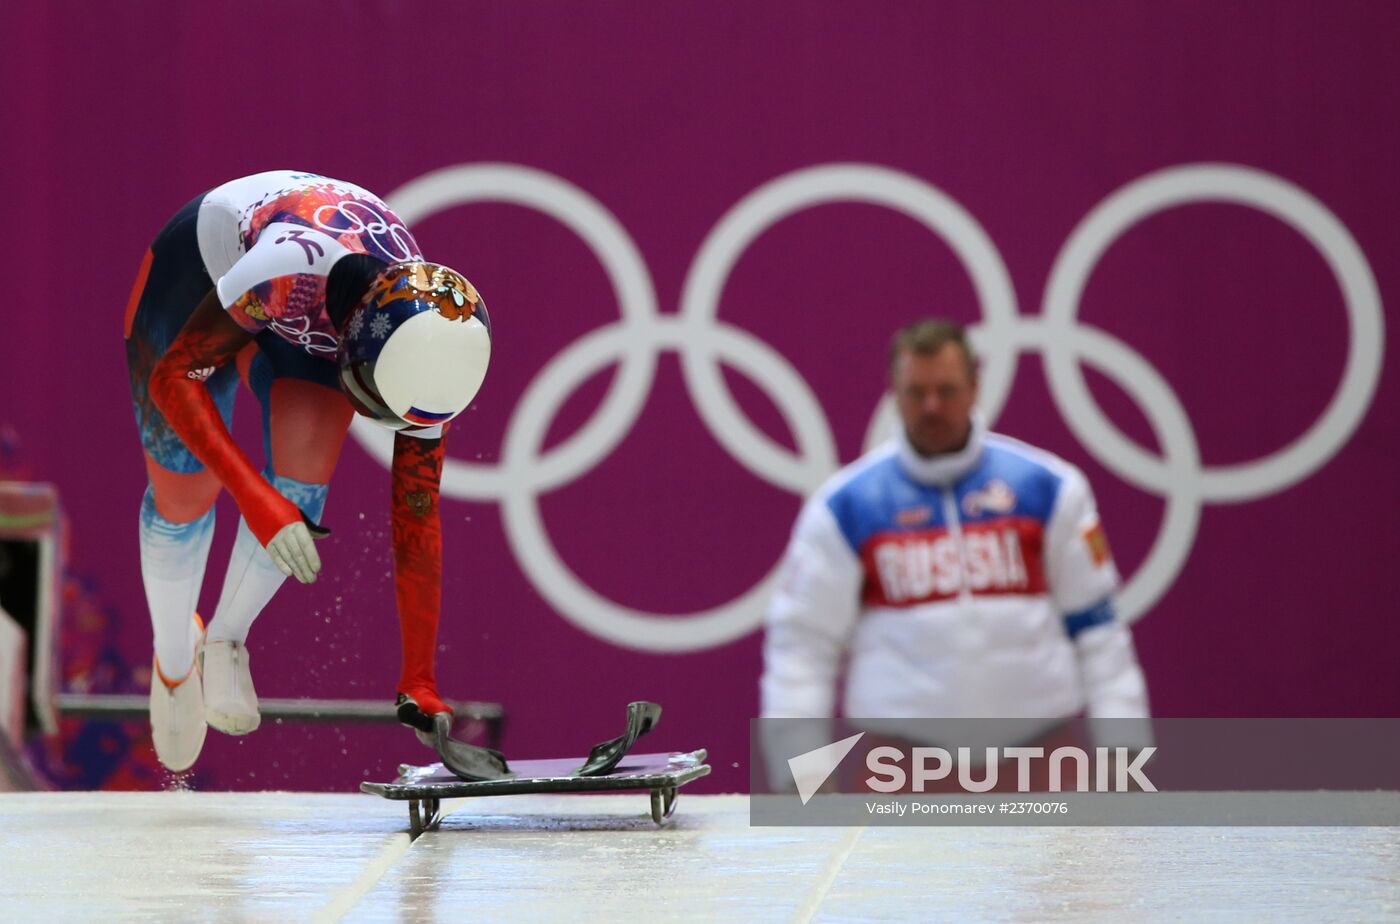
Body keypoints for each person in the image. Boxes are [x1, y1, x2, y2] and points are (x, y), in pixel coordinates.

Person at [124, 171, 492, 772]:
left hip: (315, 305)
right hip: (200, 272)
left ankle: (226, 640)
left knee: (303, 483)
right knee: (186, 495)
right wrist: (255, 499)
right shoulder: (284, 272)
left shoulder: (429, 344)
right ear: (352, 347)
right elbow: (173, 377)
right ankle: (173, 658)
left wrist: (419, 678)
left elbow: (416, 513)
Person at [759, 318, 1149, 789]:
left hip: (1040, 760)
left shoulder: (1049, 487)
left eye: (946, 390)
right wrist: (802, 773)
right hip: (900, 770)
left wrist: (1123, 755)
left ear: (974, 388)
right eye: (916, 392)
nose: (931, 406)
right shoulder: (846, 506)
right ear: (894, 394)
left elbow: (1098, 629)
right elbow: (803, 644)